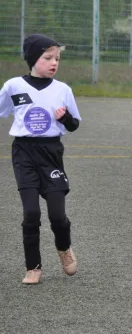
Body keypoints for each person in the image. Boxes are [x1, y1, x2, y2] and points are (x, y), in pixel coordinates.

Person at [0, 34, 81, 284]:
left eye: (57, 58)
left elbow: (74, 124)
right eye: (47, 58)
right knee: (31, 212)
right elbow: (3, 110)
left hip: (51, 153)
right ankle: (33, 267)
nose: (54, 62)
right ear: (33, 59)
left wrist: (64, 118)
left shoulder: (63, 90)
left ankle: (64, 249)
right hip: (23, 153)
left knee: (57, 215)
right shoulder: (13, 86)